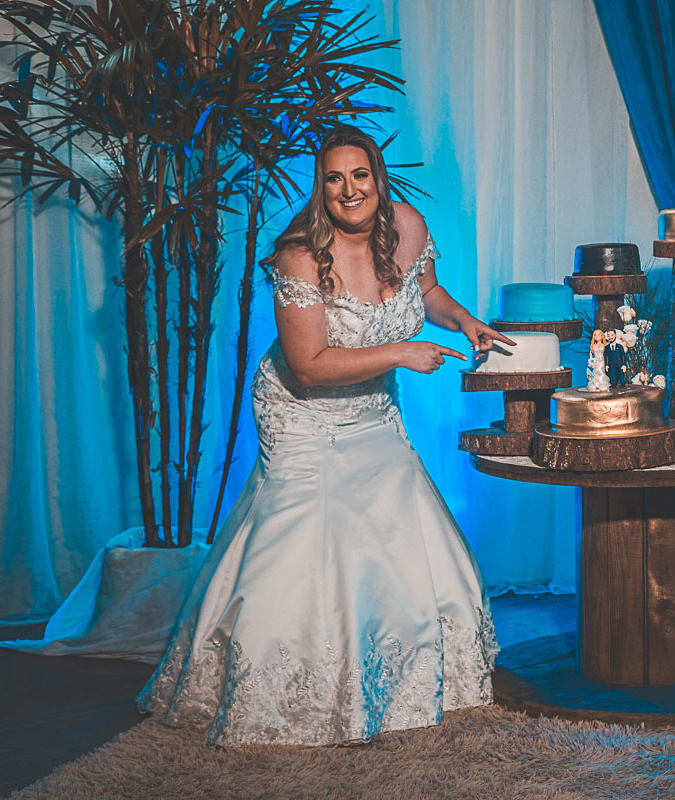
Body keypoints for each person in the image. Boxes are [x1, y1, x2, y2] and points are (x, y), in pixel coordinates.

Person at [138, 126, 511, 746]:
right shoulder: (299, 256)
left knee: (399, 535)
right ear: (321, 187)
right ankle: (289, 694)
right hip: (302, 416)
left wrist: (467, 321)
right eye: (334, 179)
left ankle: (394, 682)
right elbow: (308, 366)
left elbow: (428, 291)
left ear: (377, 176)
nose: (349, 190)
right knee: (304, 549)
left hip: (371, 412)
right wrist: (400, 353)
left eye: (359, 175)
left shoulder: (407, 226)